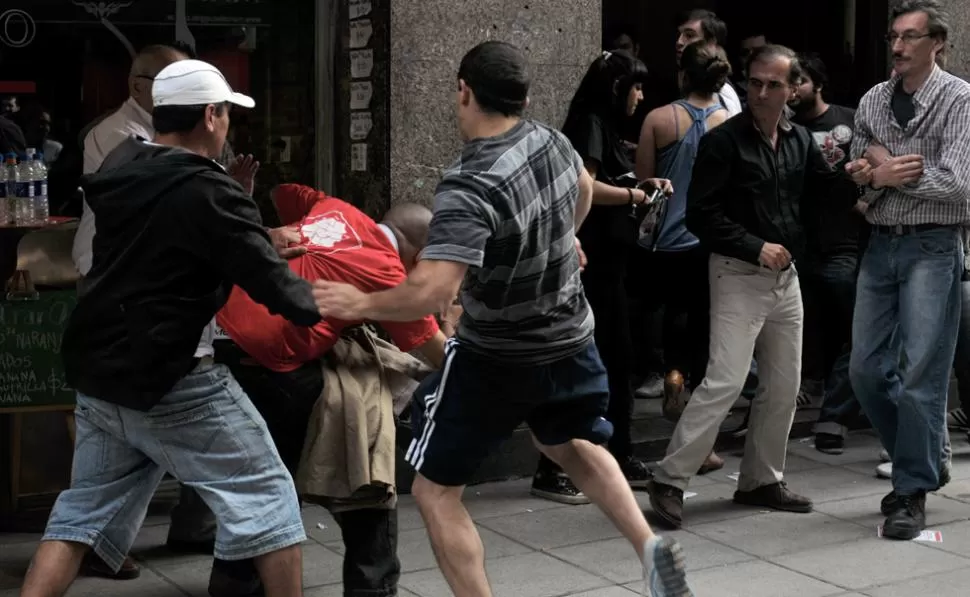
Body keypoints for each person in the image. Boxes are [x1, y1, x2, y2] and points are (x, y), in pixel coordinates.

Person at [311, 40, 694, 597]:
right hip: (570, 337)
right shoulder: (552, 141)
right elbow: (582, 192)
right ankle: (648, 546)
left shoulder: (469, 183)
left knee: (435, 490)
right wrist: (560, 240)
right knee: (573, 445)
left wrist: (360, 303)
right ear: (524, 96)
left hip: (497, 354)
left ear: (463, 91)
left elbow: (431, 290)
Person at [18, 59, 318, 597]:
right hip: (170, 376)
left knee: (81, 513)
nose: (228, 124)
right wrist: (358, 300)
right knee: (269, 495)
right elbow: (277, 288)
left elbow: (174, 239)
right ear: (210, 116)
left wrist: (240, 216)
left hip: (100, 371)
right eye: (226, 113)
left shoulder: (125, 165)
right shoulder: (205, 190)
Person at [195, 184, 447, 597]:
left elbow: (286, 194)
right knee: (368, 448)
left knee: (262, 476)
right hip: (272, 362)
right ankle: (373, 583)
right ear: (420, 259)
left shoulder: (334, 204)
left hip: (219, 339)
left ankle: (236, 577)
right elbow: (434, 350)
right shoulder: (387, 270)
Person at [647, 45, 853, 529]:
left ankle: (761, 479)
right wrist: (755, 245)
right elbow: (700, 214)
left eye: (772, 85)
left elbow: (824, 194)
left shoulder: (800, 140)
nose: (760, 93)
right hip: (738, 270)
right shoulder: (724, 141)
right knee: (726, 380)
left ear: (792, 89)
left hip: (786, 276)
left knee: (784, 384)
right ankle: (669, 478)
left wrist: (861, 175)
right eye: (754, 83)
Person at [844, 0, 970, 541]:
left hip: (934, 247)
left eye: (910, 37)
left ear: (936, 42)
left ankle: (910, 489)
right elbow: (856, 168)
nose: (897, 46)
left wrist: (892, 171)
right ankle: (925, 457)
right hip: (880, 244)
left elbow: (961, 183)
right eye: (894, 36)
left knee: (922, 373)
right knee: (866, 370)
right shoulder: (874, 98)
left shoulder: (959, 98)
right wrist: (871, 175)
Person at [526, 48, 664, 505]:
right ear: (614, 90)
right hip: (592, 270)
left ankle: (619, 453)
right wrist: (632, 196)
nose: (640, 96)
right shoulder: (588, 124)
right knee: (590, 366)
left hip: (611, 270)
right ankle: (554, 465)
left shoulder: (604, 126)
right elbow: (584, 185)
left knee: (617, 361)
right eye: (635, 87)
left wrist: (641, 188)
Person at [634, 42, 732, 475]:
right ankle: (686, 389)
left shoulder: (658, 118)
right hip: (706, 241)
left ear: (682, 76)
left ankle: (665, 372)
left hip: (661, 242)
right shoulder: (730, 123)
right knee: (702, 329)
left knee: (660, 314)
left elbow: (643, 183)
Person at [787, 53, 866, 455]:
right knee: (807, 324)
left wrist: (866, 199)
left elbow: (872, 162)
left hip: (845, 244)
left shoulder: (849, 119)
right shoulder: (785, 128)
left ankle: (835, 414)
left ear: (816, 83)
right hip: (800, 244)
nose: (792, 88)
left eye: (798, 80)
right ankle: (809, 383)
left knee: (856, 331)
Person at [674, 10, 741, 117]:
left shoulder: (721, 91)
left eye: (689, 35)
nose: (679, 42)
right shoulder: (693, 83)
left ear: (711, 43)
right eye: (679, 35)